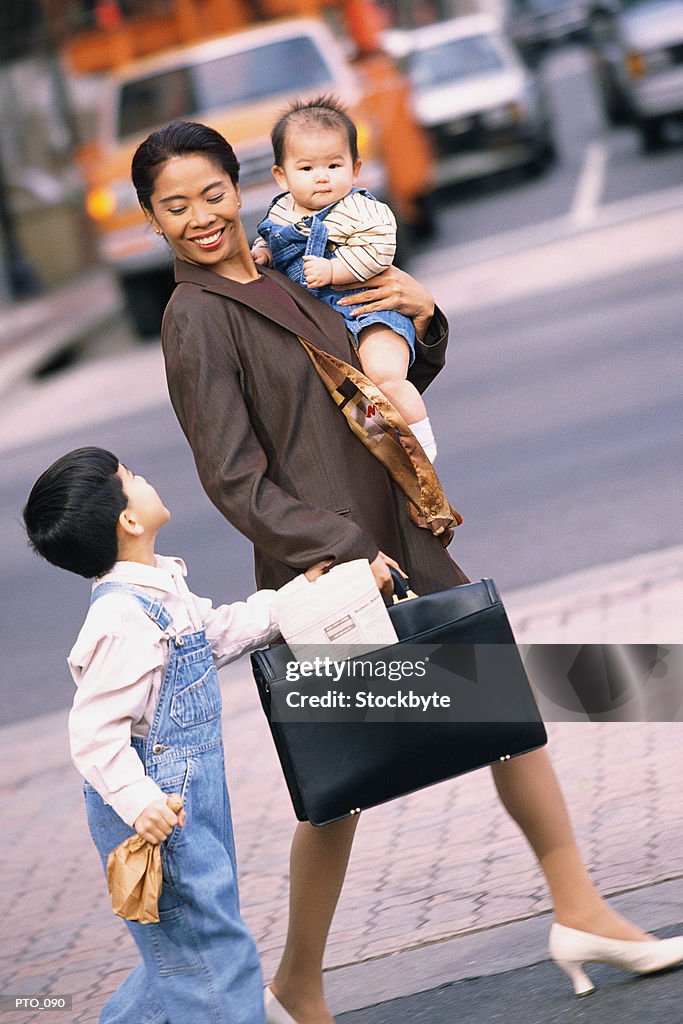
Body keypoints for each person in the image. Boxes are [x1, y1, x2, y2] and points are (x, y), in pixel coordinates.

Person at [131, 121, 683, 1023]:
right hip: (328, 566)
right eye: (174, 206)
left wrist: (421, 317)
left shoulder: (288, 260)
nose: (200, 217)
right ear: (152, 221)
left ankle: (578, 910)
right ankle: (298, 984)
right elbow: (232, 477)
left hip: (399, 528)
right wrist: (339, 549)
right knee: (339, 783)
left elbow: (371, 374)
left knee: (507, 713)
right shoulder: (193, 317)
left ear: (240, 186)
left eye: (212, 193)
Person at [22, 446, 328, 1024]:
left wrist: (298, 602)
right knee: (216, 960)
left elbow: (216, 633)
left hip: (188, 800)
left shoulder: (161, 591)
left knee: (184, 957)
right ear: (129, 521)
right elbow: (93, 733)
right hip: (158, 809)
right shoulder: (121, 620)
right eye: (129, 477)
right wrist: (141, 805)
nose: (142, 476)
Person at [252, 96, 438, 462]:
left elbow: (380, 251)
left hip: (370, 313)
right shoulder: (281, 211)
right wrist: (264, 254)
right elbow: (269, 238)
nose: (321, 177)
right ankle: (387, 454)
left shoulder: (363, 209)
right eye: (306, 169)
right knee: (353, 394)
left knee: (384, 376)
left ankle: (422, 446)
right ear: (281, 175)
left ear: (354, 168)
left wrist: (335, 270)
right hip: (325, 326)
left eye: (334, 165)